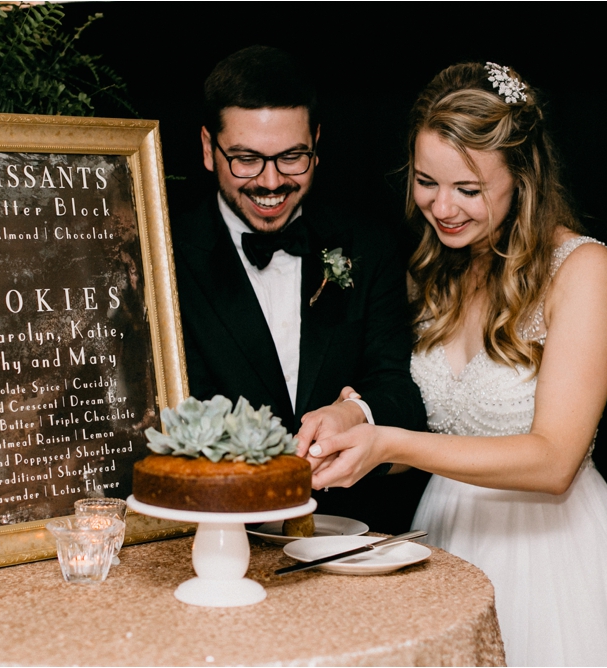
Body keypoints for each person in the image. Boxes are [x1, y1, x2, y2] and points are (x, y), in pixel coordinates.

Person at [299, 62, 607, 666]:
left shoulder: (582, 269)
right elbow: (426, 425)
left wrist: (391, 443)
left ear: (522, 178)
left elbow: (555, 460)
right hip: (445, 538)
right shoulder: (433, 268)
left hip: (553, 554)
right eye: (426, 182)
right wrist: (353, 426)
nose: (442, 207)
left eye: (469, 190)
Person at [171, 45, 429, 531]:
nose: (271, 182)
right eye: (246, 159)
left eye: (292, 157)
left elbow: (401, 391)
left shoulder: (368, 245)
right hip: (212, 543)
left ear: (316, 142)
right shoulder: (164, 257)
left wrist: (356, 412)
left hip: (354, 537)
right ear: (209, 149)